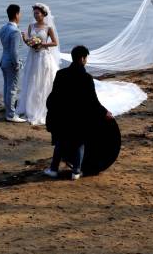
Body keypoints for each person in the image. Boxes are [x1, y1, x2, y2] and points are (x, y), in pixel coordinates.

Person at [44, 45, 113, 180]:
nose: (86, 60)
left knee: (60, 142)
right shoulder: (86, 78)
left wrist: (52, 112)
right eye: (86, 58)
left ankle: (53, 169)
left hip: (62, 116)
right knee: (79, 142)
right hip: (80, 118)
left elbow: (54, 97)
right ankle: (76, 171)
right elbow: (93, 101)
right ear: (82, 59)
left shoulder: (61, 74)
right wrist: (105, 112)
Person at [15, 3, 60, 125]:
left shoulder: (48, 27)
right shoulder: (31, 26)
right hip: (33, 57)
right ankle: (31, 106)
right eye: (34, 13)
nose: (35, 15)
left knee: (43, 81)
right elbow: (29, 42)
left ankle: (44, 106)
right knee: (32, 80)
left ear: (43, 14)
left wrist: (42, 44)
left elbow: (55, 43)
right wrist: (25, 39)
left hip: (44, 57)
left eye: (37, 13)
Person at [0, 4, 26, 122]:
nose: (20, 16)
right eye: (19, 14)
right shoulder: (15, 31)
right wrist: (16, 64)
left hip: (3, 60)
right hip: (11, 62)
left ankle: (8, 111)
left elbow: (6, 46)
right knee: (13, 88)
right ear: (16, 14)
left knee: (6, 86)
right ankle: (11, 114)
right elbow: (14, 51)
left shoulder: (3, 28)